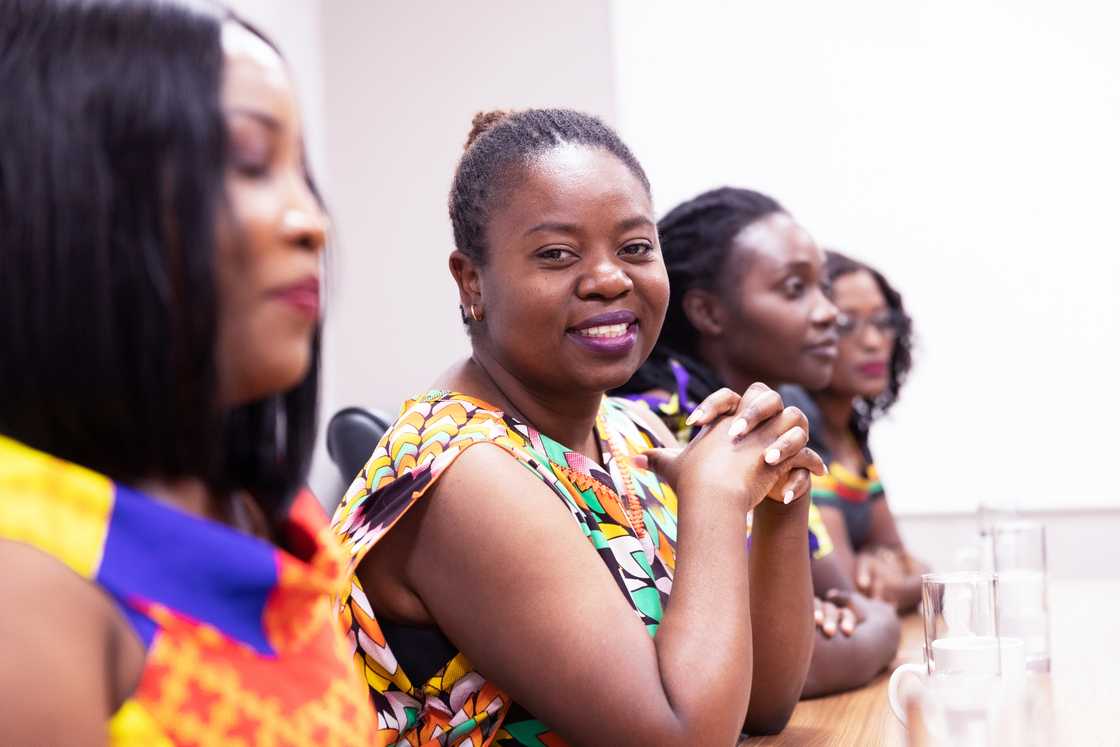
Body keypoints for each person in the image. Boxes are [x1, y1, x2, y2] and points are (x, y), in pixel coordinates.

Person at [332, 110, 824, 746]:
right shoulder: (461, 473)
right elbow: (679, 741)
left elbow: (760, 706)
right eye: (557, 254)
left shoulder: (628, 430)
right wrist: (714, 502)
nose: (610, 279)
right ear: (471, 280)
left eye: (636, 248)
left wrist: (781, 492)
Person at [0, 1, 375, 743]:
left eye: (300, 170)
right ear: (83, 193)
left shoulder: (268, 510)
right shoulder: (30, 580)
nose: (311, 220)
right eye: (247, 162)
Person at [616, 187, 900, 697]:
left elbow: (835, 592)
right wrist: (883, 624)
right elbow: (787, 668)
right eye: (796, 289)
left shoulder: (767, 427)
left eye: (823, 288)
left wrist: (850, 614)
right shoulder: (660, 427)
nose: (829, 314)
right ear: (709, 313)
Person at [797, 250, 928, 612]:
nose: (873, 342)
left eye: (883, 322)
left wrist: (882, 559)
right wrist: (900, 578)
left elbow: (914, 565)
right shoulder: (797, 420)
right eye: (846, 324)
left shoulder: (851, 430)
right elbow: (851, 590)